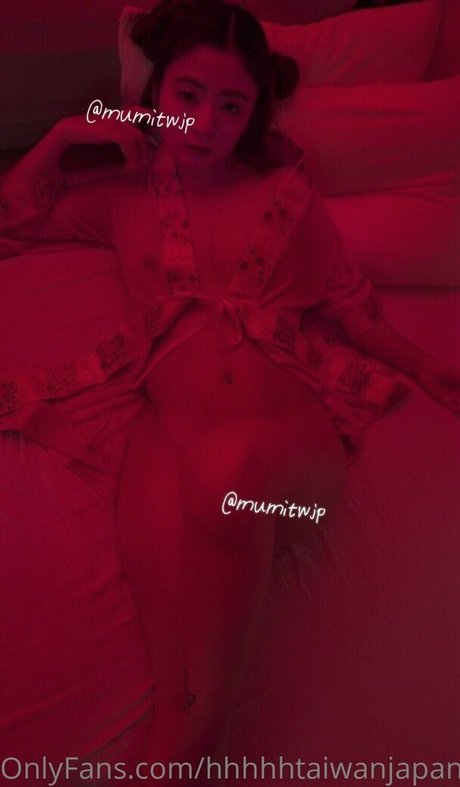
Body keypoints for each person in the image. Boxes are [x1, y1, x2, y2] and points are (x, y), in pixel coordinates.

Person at [1, 0, 460, 776]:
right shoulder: (123, 199)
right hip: (166, 448)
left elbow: (353, 307)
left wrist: (427, 364)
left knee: (227, 483)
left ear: (252, 116)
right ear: (154, 95)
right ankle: (182, 749)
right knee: (173, 695)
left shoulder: (286, 197)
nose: (205, 122)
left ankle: (204, 740)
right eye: (188, 95)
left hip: (289, 489)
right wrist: (63, 137)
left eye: (231, 105)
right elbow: (12, 223)